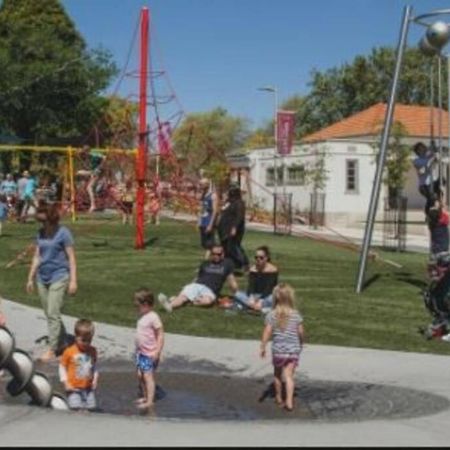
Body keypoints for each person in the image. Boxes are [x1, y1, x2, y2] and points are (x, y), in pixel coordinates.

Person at [26, 201, 77, 362]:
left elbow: (71, 258)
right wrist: (30, 278)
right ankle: (62, 341)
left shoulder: (63, 233)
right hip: (43, 277)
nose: (41, 223)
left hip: (59, 275)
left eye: (43, 219)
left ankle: (53, 349)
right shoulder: (40, 233)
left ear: (51, 218)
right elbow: (37, 256)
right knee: (49, 313)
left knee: (53, 312)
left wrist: (73, 280)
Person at [260, 283, 305, 412]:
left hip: (278, 350)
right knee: (289, 376)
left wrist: (263, 346)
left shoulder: (271, 314)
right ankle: (289, 401)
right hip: (293, 350)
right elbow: (301, 332)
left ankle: (279, 397)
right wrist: (301, 342)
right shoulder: (296, 314)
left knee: (277, 374)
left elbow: (267, 332)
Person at [158, 244, 238, 312]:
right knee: (183, 297)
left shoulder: (227, 263)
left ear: (223, 254)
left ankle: (181, 301)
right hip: (197, 285)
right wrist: (190, 285)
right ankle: (170, 306)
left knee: (207, 301)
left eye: (218, 254)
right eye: (213, 254)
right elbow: (198, 277)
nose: (216, 256)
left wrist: (237, 294)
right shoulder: (205, 263)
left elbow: (232, 280)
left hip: (210, 290)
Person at [134, 288, 164, 410]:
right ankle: (146, 396)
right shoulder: (144, 316)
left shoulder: (153, 317)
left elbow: (160, 334)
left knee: (147, 376)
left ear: (145, 304)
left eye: (137, 306)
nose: (136, 308)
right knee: (140, 375)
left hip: (149, 354)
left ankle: (150, 401)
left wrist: (157, 351)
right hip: (141, 353)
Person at [59, 319, 99, 411]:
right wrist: (66, 383)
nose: (86, 343)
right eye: (83, 340)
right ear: (76, 337)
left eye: (89, 340)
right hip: (73, 388)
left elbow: (94, 366)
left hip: (88, 388)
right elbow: (62, 367)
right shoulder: (69, 351)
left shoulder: (92, 351)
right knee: (76, 408)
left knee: (91, 408)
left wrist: (95, 379)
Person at [233, 246, 279, 314]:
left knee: (274, 298)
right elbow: (251, 287)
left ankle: (247, 307)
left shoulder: (273, 270)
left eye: (261, 257)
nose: (258, 259)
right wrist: (251, 298)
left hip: (267, 296)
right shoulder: (253, 269)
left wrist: (260, 300)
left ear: (266, 258)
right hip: (255, 296)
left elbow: (269, 289)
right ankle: (261, 309)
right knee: (237, 294)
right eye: (256, 257)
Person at [217, 183, 249, 272]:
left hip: (233, 229)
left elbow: (239, 216)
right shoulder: (228, 202)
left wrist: (234, 227)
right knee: (226, 247)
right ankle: (230, 265)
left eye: (231, 190)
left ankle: (244, 263)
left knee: (234, 247)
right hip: (224, 229)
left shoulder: (239, 203)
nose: (229, 192)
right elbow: (222, 212)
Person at [413, 141, 440, 215]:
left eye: (423, 148)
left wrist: (435, 150)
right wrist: (431, 160)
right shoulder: (417, 161)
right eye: (420, 149)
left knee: (441, 182)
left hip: (433, 182)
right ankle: (429, 214)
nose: (423, 150)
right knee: (431, 199)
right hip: (424, 185)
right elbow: (424, 170)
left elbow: (437, 158)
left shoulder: (429, 157)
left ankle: (435, 212)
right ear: (417, 151)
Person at [77, 145, 106, 213]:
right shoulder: (90, 157)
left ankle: (93, 205)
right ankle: (93, 204)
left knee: (89, 187)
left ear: (87, 151)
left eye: (84, 153)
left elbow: (104, 157)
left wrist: (99, 168)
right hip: (94, 171)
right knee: (89, 187)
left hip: (97, 171)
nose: (84, 155)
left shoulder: (94, 154)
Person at [198, 177, 219, 258]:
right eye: (200, 184)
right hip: (203, 221)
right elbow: (201, 209)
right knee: (204, 243)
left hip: (209, 221)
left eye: (201, 184)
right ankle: (213, 256)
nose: (200, 186)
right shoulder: (203, 195)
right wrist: (199, 221)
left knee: (209, 244)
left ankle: (206, 260)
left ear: (207, 185)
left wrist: (211, 224)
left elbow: (215, 211)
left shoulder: (213, 195)